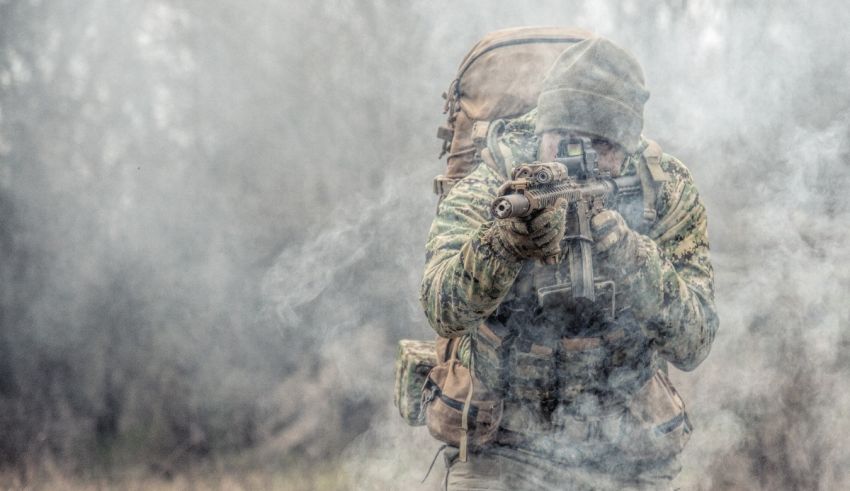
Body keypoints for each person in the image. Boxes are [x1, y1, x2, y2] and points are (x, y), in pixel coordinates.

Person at [419, 36, 718, 490]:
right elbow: (442, 307)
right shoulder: (495, 180)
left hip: (627, 449)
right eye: (566, 139)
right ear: (543, 128)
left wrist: (631, 257)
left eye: (601, 146)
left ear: (627, 147)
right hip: (503, 442)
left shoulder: (664, 189)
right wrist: (503, 244)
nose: (581, 159)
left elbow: (694, 342)